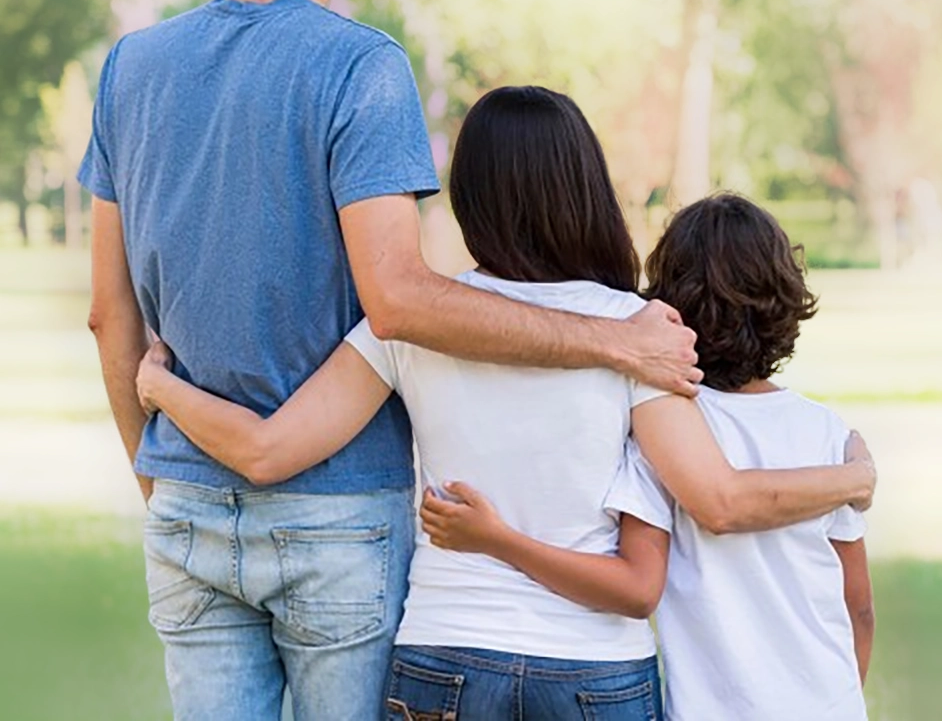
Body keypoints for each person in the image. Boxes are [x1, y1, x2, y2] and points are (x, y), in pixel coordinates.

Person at [79, 0, 702, 721]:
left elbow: (109, 314)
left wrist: (158, 473)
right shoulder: (361, 67)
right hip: (339, 519)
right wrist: (617, 342)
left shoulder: (133, 67)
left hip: (188, 499)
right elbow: (400, 298)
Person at [135, 90, 877, 719]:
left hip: (445, 657)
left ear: (471, 196)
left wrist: (163, 386)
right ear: (584, 185)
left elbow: (268, 451)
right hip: (592, 671)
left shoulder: (418, 325)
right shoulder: (637, 333)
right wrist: (850, 479)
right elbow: (716, 498)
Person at [427, 193, 875, 721]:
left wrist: (496, 538)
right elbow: (858, 606)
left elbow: (637, 579)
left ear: (669, 303)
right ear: (785, 299)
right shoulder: (827, 435)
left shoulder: (663, 427)